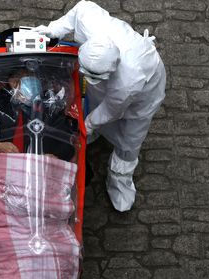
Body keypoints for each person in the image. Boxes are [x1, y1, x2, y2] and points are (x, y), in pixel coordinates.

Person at [33, 0, 166, 211]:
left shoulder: (128, 82)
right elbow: (78, 10)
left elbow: (111, 110)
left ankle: (120, 178)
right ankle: (95, 134)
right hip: (112, 89)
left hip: (144, 95)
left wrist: (88, 124)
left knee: (131, 139)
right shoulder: (91, 21)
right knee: (95, 100)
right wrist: (53, 30)